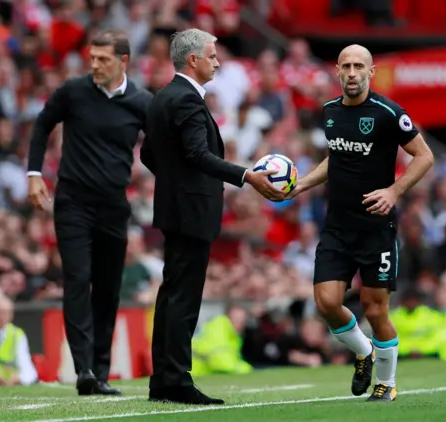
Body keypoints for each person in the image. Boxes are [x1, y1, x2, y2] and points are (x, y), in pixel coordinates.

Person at [140, 28, 283, 405]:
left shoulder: (162, 97)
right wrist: (245, 176)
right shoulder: (186, 100)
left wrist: (174, 185)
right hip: (192, 211)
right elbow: (197, 155)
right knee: (183, 298)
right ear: (193, 60)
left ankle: (164, 380)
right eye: (212, 55)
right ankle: (177, 381)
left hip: (175, 208)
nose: (217, 61)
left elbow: (149, 157)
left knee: (171, 295)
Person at [286, 44, 434, 402]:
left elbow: (424, 155)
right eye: (346, 66)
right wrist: (303, 183)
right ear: (337, 71)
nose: (352, 73)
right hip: (337, 226)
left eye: (359, 67)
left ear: (371, 71)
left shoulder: (388, 112)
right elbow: (335, 157)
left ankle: (386, 382)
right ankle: (364, 351)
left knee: (374, 307)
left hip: (376, 229)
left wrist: (395, 191)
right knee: (325, 301)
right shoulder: (330, 111)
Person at [26, 30, 153, 396]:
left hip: (114, 206)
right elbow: (41, 125)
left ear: (123, 62)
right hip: (73, 203)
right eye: (92, 57)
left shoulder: (143, 102)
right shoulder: (73, 91)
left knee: (109, 290)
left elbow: (159, 147)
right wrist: (35, 174)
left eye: (103, 59)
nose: (94, 64)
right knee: (78, 279)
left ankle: (100, 371)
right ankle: (83, 370)